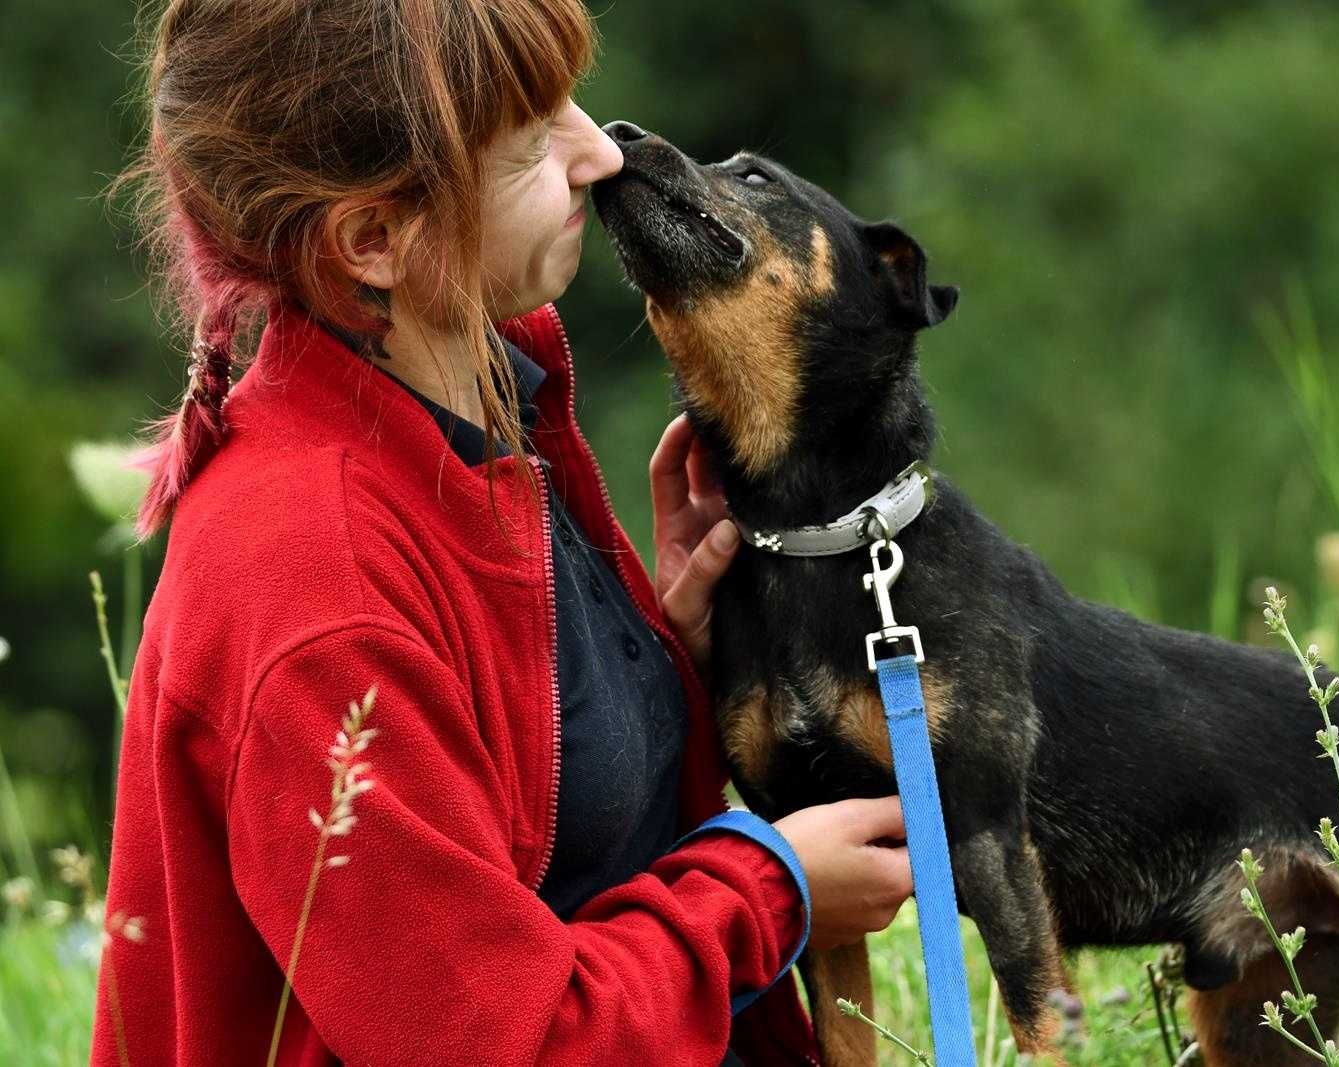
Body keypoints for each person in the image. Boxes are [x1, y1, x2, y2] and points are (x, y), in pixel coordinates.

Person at [94, 2, 913, 1063]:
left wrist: (657, 652)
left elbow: (553, 827)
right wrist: (772, 888)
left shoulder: (470, 387)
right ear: (374, 239)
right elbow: (503, 1040)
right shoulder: (312, 588)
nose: (598, 151)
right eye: (532, 142)